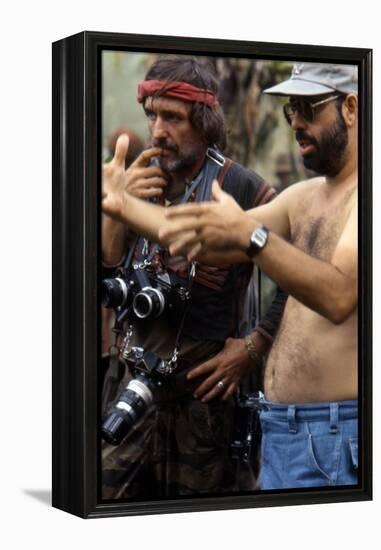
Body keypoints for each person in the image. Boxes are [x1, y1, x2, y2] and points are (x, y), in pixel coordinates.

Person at [159, 62, 359, 490]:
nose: (297, 124)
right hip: (281, 432)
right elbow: (208, 238)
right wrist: (117, 203)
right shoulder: (303, 197)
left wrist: (253, 236)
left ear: (352, 109)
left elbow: (340, 295)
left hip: (338, 435)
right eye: (292, 111)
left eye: (308, 108)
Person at [101, 56, 285, 498]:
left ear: (203, 122)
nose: (158, 130)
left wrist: (252, 346)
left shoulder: (242, 189)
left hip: (204, 405)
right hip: (134, 390)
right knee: (103, 501)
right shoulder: (137, 180)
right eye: (152, 116)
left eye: (173, 117)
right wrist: (115, 207)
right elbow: (106, 270)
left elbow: (296, 278)